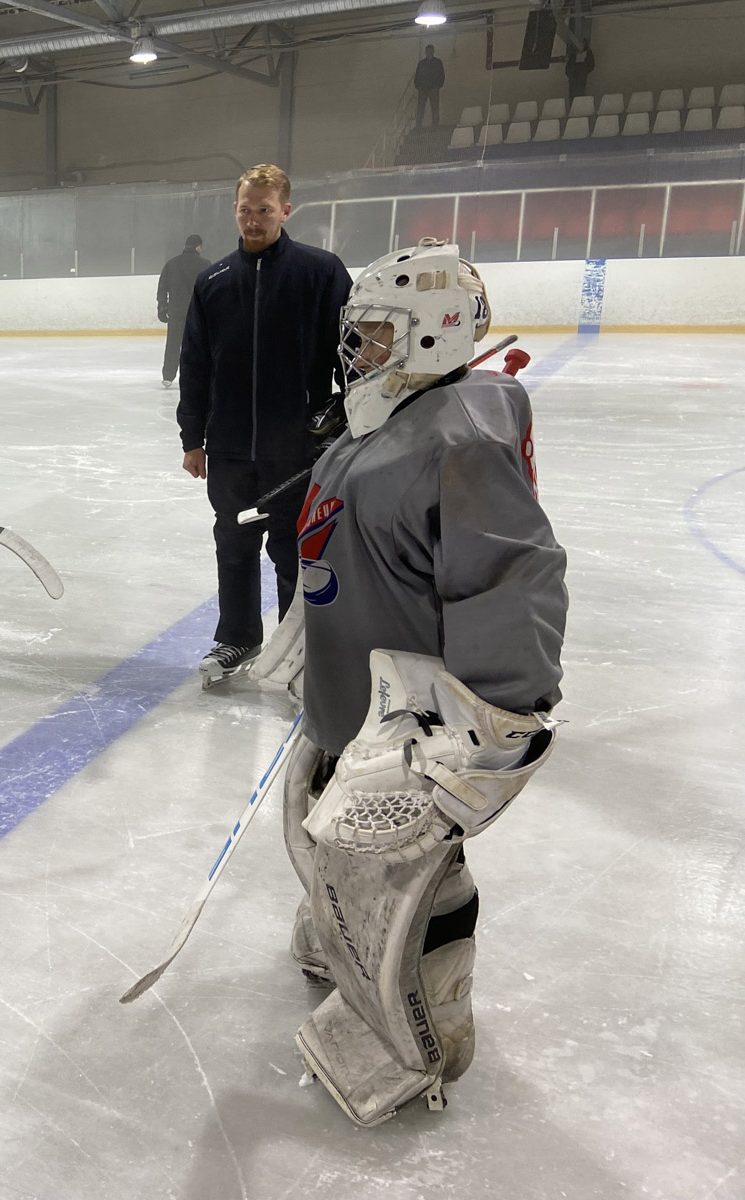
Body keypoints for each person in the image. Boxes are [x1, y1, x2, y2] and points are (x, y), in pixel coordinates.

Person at [280, 239, 568, 1126]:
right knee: (320, 821)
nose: (354, 353)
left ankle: (433, 1026)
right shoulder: (388, 422)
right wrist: (303, 633)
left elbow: (510, 579)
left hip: (408, 716)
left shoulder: (456, 438)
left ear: (431, 334)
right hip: (351, 693)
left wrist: (495, 719)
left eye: (373, 335)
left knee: (417, 866)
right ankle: (341, 940)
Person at [176, 163, 352, 687]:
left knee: (293, 552)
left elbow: (351, 355)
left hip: (297, 449)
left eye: (265, 211)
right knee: (233, 544)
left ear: (286, 211)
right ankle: (238, 638)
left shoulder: (320, 273)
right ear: (235, 210)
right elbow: (196, 365)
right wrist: (192, 439)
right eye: (246, 210)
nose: (254, 221)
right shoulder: (214, 281)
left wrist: (355, 419)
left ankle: (298, 648)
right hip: (230, 447)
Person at [156, 234, 205, 387]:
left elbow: (162, 288)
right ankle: (195, 376)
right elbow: (210, 289)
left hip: (176, 312)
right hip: (196, 313)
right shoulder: (204, 265)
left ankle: (168, 376)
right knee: (197, 345)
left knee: (173, 344)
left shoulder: (171, 264)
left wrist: (162, 307)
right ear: (198, 247)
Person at [413, 45, 445, 126]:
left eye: (430, 51)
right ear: (425, 52)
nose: (429, 52)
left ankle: (435, 126)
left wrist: (438, 85)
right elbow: (417, 75)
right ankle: (418, 126)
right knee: (421, 108)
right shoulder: (422, 63)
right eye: (427, 51)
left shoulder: (437, 62)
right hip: (423, 89)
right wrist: (418, 86)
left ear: (433, 51)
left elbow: (442, 75)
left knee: (434, 108)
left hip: (433, 88)